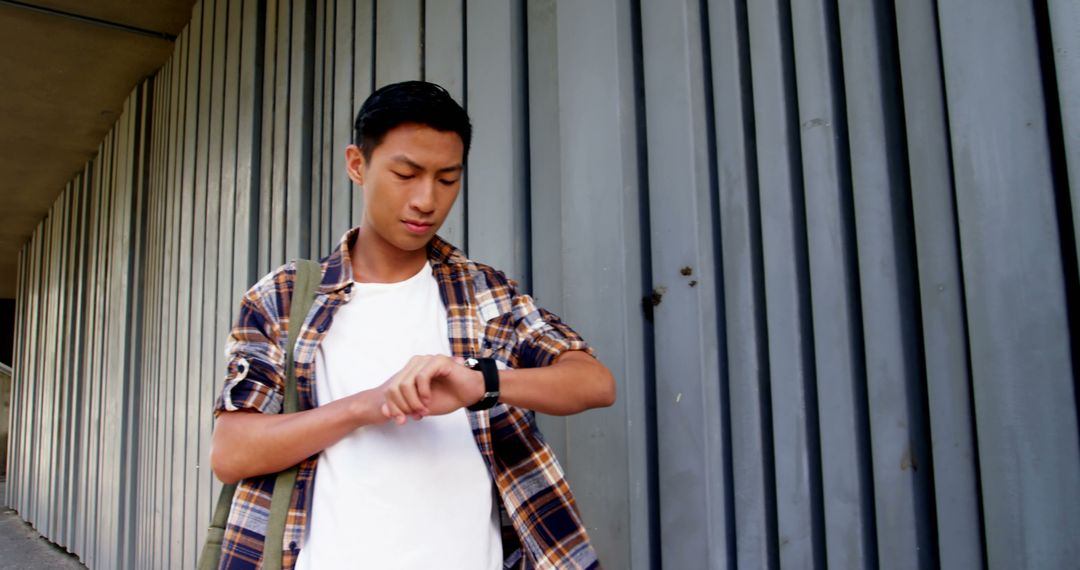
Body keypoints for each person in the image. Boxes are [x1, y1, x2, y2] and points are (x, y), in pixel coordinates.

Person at [209, 80, 615, 569]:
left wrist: (481, 383)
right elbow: (231, 453)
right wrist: (367, 404)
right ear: (357, 165)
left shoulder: (485, 295)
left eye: (447, 179)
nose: (427, 200)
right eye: (407, 174)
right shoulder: (285, 297)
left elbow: (594, 383)